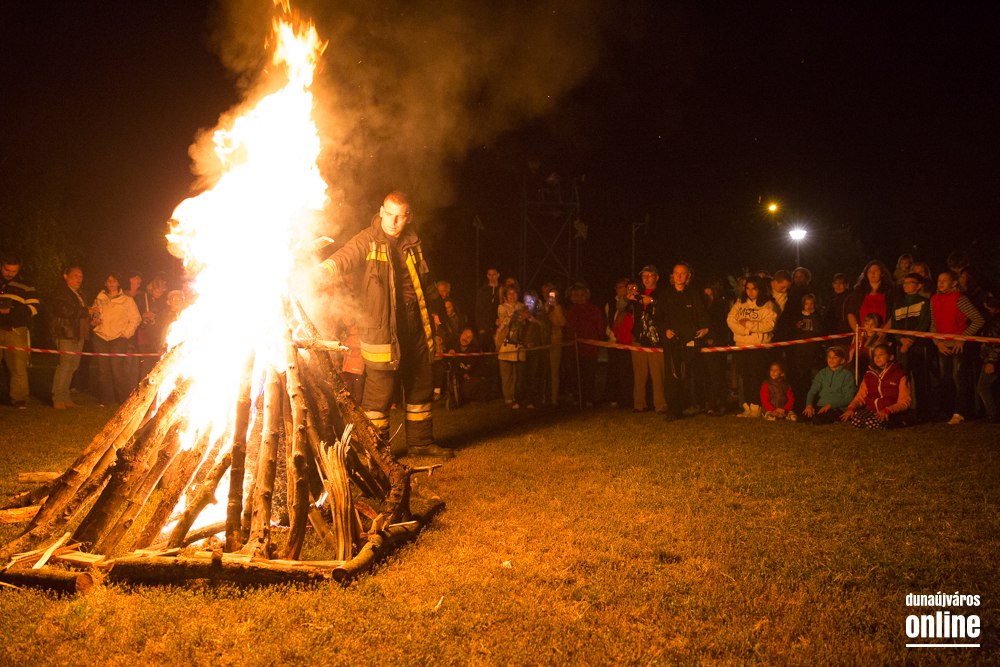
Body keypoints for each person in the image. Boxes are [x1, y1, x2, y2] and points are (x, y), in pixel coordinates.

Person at [316, 191, 451, 458]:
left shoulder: (413, 243)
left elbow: (426, 282)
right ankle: (377, 452)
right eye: (389, 214)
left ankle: (421, 443)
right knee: (380, 390)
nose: (393, 221)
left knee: (420, 383)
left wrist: (442, 315)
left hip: (415, 322)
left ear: (408, 217)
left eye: (400, 216)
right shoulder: (367, 240)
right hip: (382, 326)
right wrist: (322, 271)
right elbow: (344, 257)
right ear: (380, 212)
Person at [930, 270, 984, 425]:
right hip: (943, 345)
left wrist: (963, 338)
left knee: (958, 377)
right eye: (939, 280)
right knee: (945, 378)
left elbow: (978, 319)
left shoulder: (960, 299)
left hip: (958, 346)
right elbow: (933, 324)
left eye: (945, 280)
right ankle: (947, 410)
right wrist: (938, 342)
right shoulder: (934, 299)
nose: (940, 283)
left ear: (954, 283)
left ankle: (960, 411)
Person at [662, 262, 710, 420]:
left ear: (688, 276)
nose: (679, 276)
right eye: (676, 273)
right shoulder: (666, 295)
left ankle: (685, 406)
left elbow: (702, 315)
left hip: (689, 343)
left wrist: (705, 329)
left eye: (682, 273)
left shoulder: (694, 294)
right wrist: (665, 330)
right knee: (672, 377)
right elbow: (659, 318)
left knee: (686, 376)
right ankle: (672, 410)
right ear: (672, 275)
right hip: (672, 343)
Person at [728, 276, 778, 417]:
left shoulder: (768, 305)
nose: (750, 292)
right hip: (741, 345)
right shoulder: (740, 303)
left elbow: (769, 325)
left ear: (760, 289)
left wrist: (749, 325)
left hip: (758, 347)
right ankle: (748, 406)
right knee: (745, 376)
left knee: (756, 376)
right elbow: (730, 320)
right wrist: (745, 331)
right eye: (748, 289)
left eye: (754, 289)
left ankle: (756, 406)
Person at [50, 266, 98, 409]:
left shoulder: (79, 293)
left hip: (78, 334)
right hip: (66, 333)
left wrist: (90, 321)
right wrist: (85, 310)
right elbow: (64, 310)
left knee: (72, 366)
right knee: (64, 366)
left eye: (81, 276)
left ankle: (65, 397)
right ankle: (58, 398)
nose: (79, 279)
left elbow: (80, 315)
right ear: (66, 276)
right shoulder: (61, 292)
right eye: (75, 276)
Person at [91, 272, 141, 407]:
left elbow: (136, 318)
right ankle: (106, 399)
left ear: (118, 283)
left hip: (119, 337)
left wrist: (126, 333)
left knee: (117, 369)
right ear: (105, 283)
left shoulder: (127, 300)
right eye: (108, 281)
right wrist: (94, 322)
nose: (111, 284)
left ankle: (123, 399)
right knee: (103, 370)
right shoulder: (99, 298)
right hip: (101, 336)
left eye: (114, 281)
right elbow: (95, 315)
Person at [889, 272, 933, 419]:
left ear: (918, 286)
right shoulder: (898, 303)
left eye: (910, 282)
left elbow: (923, 324)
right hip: (901, 346)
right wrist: (901, 339)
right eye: (905, 282)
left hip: (918, 345)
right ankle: (901, 409)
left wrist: (910, 341)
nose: (906, 285)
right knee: (901, 377)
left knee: (920, 378)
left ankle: (923, 411)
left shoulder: (924, 302)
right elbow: (894, 325)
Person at [0, 255, 39, 409]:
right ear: (1, 266)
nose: (10, 273)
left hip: (16, 331)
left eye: (14, 271)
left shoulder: (26, 285)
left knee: (18, 367)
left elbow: (34, 307)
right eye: (7, 270)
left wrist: (12, 312)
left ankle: (19, 398)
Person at [841, 344, 911, 429]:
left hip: (891, 412)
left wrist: (888, 410)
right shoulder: (869, 375)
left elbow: (904, 401)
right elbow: (860, 396)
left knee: (871, 423)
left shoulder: (900, 375)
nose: (877, 357)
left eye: (881, 354)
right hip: (872, 410)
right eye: (875, 355)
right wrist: (851, 407)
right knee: (856, 421)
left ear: (891, 357)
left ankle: (899, 422)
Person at [630, 265, 667, 413]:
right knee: (639, 374)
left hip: (656, 338)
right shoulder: (636, 293)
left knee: (658, 375)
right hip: (639, 337)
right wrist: (627, 298)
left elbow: (667, 308)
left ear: (656, 277)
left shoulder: (663, 293)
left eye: (650, 275)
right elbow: (622, 306)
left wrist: (652, 301)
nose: (646, 279)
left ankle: (660, 404)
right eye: (644, 276)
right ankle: (639, 404)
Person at [564, 284, 604, 407]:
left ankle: (589, 398)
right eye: (577, 295)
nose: (580, 298)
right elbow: (569, 329)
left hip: (590, 349)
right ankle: (578, 398)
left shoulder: (594, 309)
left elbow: (599, 327)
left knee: (589, 376)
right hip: (575, 349)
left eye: (582, 295)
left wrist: (599, 339)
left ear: (587, 296)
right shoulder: (572, 311)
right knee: (576, 376)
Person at [801, 346, 856, 425]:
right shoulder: (822, 373)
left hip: (836, 407)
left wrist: (831, 405)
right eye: (829, 357)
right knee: (802, 418)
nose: (831, 359)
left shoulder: (847, 375)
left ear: (842, 360)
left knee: (818, 420)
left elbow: (849, 398)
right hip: (821, 405)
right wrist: (809, 405)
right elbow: (813, 390)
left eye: (835, 357)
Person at [700, 280, 731, 415]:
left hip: (719, 344)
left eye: (711, 294)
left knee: (719, 374)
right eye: (706, 295)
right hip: (706, 346)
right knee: (713, 376)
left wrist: (715, 338)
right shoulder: (701, 309)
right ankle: (715, 403)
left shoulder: (719, 308)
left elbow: (722, 326)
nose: (709, 297)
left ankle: (719, 403)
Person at [605, 278, 635, 409]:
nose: (618, 290)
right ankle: (614, 397)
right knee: (615, 371)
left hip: (628, 342)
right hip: (614, 342)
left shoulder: (632, 304)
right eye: (617, 287)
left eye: (621, 287)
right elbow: (610, 322)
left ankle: (627, 399)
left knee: (627, 372)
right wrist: (612, 335)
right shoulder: (611, 304)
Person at [495, 284, 527, 407]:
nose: (512, 296)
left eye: (514, 293)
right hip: (506, 341)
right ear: (506, 296)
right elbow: (504, 321)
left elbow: (525, 322)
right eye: (509, 293)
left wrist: (517, 318)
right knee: (506, 372)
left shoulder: (522, 306)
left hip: (519, 341)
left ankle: (516, 396)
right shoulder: (502, 307)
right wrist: (518, 318)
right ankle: (508, 396)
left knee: (517, 372)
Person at [846, 260, 894, 333]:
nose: (872, 273)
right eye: (869, 271)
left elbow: (895, 314)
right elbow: (850, 313)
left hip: (883, 336)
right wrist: (858, 332)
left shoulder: (890, 293)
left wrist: (885, 330)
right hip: (862, 335)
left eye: (875, 271)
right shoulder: (859, 293)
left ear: (882, 273)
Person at [450, 327, 490, 403]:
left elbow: (481, 367)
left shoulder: (475, 351)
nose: (465, 338)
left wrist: (470, 374)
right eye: (464, 335)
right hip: (459, 377)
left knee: (469, 387)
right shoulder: (454, 347)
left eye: (468, 337)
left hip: (472, 377)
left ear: (472, 340)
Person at [976, 297, 1000, 423]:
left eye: (989, 309)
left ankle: (993, 414)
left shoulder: (996, 322)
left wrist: (991, 361)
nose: (987, 311)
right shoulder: (991, 319)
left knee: (983, 387)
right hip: (990, 356)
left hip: (993, 358)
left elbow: (995, 343)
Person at [542, 283, 566, 405]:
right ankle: (543, 397)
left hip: (555, 342)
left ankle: (554, 398)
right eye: (544, 292)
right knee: (543, 371)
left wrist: (555, 306)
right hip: (543, 342)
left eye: (549, 292)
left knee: (554, 372)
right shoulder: (541, 306)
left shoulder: (558, 307)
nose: (547, 295)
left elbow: (562, 322)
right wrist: (546, 307)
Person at [475, 268, 502, 351]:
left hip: (498, 326)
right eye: (490, 275)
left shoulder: (502, 290)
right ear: (487, 276)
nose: (492, 277)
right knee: (485, 352)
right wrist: (480, 327)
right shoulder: (482, 291)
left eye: (494, 274)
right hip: (485, 328)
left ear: (498, 275)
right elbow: (478, 310)